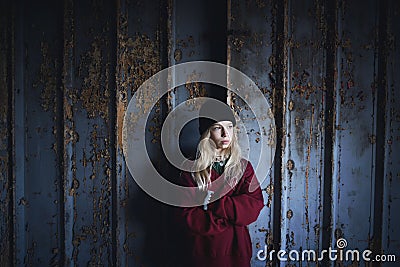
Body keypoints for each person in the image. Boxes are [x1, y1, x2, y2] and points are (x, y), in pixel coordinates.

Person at [175, 99, 264, 267]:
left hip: (238, 253)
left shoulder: (243, 167)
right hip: (204, 254)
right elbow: (187, 216)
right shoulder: (191, 169)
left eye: (229, 127)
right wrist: (230, 218)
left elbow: (253, 206)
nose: (225, 134)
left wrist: (213, 203)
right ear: (207, 132)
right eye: (217, 128)